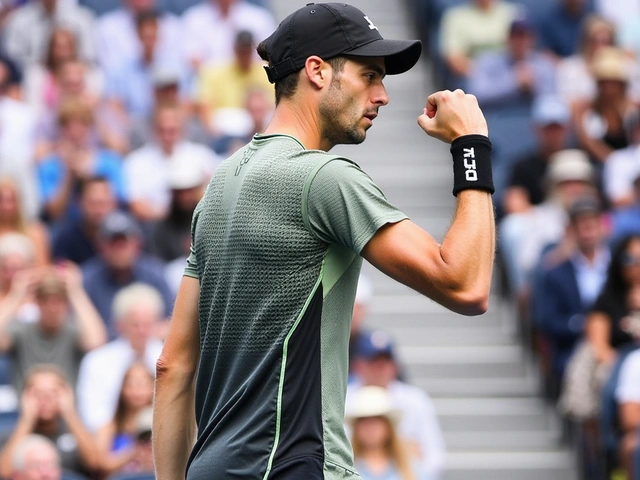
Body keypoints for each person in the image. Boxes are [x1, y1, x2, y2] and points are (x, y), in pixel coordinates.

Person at [153, 3, 495, 479]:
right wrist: (472, 146)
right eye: (369, 75)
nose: (383, 95)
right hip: (292, 465)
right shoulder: (325, 178)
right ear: (316, 71)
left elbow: (172, 366)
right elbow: (466, 284)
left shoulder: (220, 185)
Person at [348, 331, 446, 478]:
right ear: (358, 365)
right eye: (373, 362)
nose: (380, 369)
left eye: (385, 362)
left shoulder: (416, 399)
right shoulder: (344, 398)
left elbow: (434, 456)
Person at [534, 197, 610, 388]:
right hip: (573, 350)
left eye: (592, 223)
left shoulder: (620, 267)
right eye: (582, 224)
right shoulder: (556, 273)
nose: (588, 230)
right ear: (571, 230)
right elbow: (547, 322)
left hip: (615, 346)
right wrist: (583, 325)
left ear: (603, 225)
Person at [0, 262, 107, 391]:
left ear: (66, 303)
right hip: (26, 409)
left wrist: (76, 291)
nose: (52, 308)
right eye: (45, 300)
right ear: (37, 302)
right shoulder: (22, 330)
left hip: (66, 409)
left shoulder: (73, 330)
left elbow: (96, 342)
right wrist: (16, 293)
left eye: (58, 301)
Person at [76, 283, 164, 432]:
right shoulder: (96, 361)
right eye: (135, 324)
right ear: (119, 325)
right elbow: (92, 416)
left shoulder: (169, 357)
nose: (142, 331)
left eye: (148, 324)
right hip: (111, 440)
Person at [123, 103, 218, 222]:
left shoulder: (202, 156)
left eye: (172, 130)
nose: (168, 136)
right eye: (163, 130)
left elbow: (216, 193)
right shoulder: (135, 162)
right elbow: (136, 205)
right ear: (153, 130)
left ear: (182, 129)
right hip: (155, 227)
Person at [81, 211, 174, 332]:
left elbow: (172, 324)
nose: (119, 250)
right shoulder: (87, 279)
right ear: (100, 246)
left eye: (124, 242)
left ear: (137, 243)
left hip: (150, 346)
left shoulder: (155, 274)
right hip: (103, 348)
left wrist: (138, 334)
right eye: (113, 243)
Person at [0, 365, 100, 478]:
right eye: (38, 393)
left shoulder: (77, 431)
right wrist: (26, 419)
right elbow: (4, 472)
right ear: (24, 397)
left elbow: (96, 465)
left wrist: (70, 413)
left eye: (54, 392)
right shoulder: (12, 435)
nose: (46, 398)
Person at [502, 95, 571, 215]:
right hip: (538, 226)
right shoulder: (523, 167)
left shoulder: (579, 160)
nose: (553, 134)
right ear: (537, 129)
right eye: (548, 128)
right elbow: (514, 203)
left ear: (567, 129)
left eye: (557, 128)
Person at [467, 17, 557, 109]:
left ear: (533, 39)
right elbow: (476, 94)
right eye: (516, 36)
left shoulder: (544, 64)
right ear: (508, 38)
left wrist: (533, 86)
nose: (521, 41)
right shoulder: (487, 61)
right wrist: (514, 82)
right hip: (496, 117)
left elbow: (552, 101)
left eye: (526, 36)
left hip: (535, 120)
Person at [346, 386, 429, 480]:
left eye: (377, 420)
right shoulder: (344, 467)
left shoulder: (411, 466)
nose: (370, 427)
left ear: (388, 426)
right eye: (363, 421)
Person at [95, 362, 154, 476]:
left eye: (143, 384)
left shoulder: (162, 426)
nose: (137, 390)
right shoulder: (110, 427)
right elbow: (100, 463)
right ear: (122, 388)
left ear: (154, 387)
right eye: (131, 384)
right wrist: (133, 452)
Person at [181, 0, 276, 70]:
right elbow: (192, 60)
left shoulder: (260, 18)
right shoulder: (193, 19)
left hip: (253, 83)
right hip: (211, 85)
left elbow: (270, 57)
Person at [2, 0, 96, 70]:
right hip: (31, 78)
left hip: (73, 78)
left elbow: (88, 57)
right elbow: (13, 59)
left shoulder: (81, 18)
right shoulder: (17, 21)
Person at [438, 0, 517, 80]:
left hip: (510, 76)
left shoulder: (513, 13)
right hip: (473, 78)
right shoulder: (455, 17)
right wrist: (484, 75)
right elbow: (453, 58)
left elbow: (525, 53)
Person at [52, 176, 118, 265]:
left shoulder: (126, 236)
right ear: (80, 204)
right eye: (93, 203)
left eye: (103, 203)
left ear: (114, 204)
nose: (98, 210)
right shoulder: (66, 239)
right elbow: (60, 270)